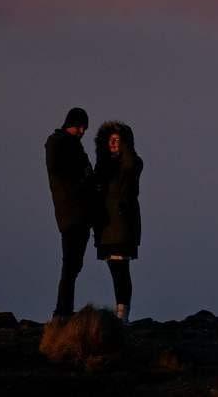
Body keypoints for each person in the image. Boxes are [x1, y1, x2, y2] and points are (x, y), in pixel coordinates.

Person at [44, 106, 93, 319]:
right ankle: (62, 311)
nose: (82, 131)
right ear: (70, 124)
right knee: (71, 265)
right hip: (72, 214)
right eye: (79, 126)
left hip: (76, 214)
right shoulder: (59, 143)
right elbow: (62, 172)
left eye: (84, 128)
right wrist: (83, 180)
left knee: (73, 265)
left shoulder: (69, 145)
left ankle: (63, 310)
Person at [92, 121, 143, 322]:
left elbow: (131, 166)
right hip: (105, 226)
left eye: (117, 140)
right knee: (115, 270)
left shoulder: (132, 163)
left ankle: (122, 313)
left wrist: (126, 146)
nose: (113, 144)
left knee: (121, 270)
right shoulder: (102, 165)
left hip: (123, 224)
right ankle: (120, 312)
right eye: (110, 140)